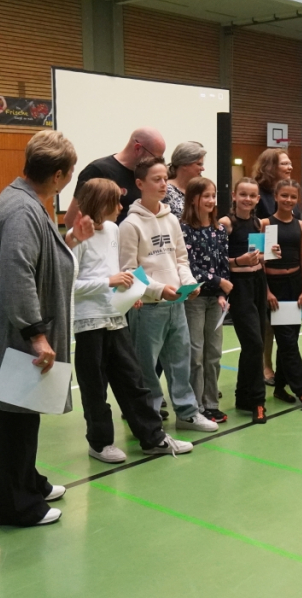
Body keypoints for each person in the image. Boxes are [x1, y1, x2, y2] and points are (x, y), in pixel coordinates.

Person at [0, 130, 90, 527]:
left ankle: (28, 482)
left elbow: (38, 255)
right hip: (15, 329)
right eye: (70, 172)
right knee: (17, 414)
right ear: (58, 175)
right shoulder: (22, 209)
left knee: (25, 410)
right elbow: (17, 272)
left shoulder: (27, 200)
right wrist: (36, 334)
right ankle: (15, 506)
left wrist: (69, 240)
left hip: (15, 324)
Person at [72, 178, 193, 463]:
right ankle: (100, 443)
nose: (120, 206)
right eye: (114, 201)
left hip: (116, 318)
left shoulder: (113, 229)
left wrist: (130, 291)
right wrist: (109, 282)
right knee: (95, 387)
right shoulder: (77, 238)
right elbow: (69, 284)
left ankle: (153, 437)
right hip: (89, 323)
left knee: (133, 381)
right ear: (100, 203)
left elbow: (118, 271)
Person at [119, 157, 218, 433]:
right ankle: (149, 417)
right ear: (140, 184)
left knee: (180, 362)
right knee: (146, 366)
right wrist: (159, 289)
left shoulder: (171, 218)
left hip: (177, 304)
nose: (164, 184)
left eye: (165, 178)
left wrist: (189, 282)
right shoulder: (130, 225)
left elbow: (180, 259)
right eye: (156, 179)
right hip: (148, 308)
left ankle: (187, 414)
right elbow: (129, 270)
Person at [180, 177, 231, 423]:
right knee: (196, 353)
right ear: (193, 199)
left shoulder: (219, 230)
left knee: (214, 353)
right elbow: (189, 266)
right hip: (195, 298)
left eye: (213, 195)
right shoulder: (184, 230)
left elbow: (223, 263)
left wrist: (222, 293)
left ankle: (211, 403)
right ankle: (196, 405)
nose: (211, 200)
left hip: (215, 300)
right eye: (206, 196)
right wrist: (218, 282)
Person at [261, 180, 302, 410]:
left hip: (295, 286)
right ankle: (301, 389)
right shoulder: (265, 224)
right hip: (275, 287)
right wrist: (267, 291)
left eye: (293, 196)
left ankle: (280, 387)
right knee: (287, 340)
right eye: (284, 195)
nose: (288, 200)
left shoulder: (300, 226)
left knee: (289, 338)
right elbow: (260, 262)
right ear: (276, 196)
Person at [219, 178, 268, 424]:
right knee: (255, 343)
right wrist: (239, 261)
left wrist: (267, 255)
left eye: (252, 195)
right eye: (243, 194)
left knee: (253, 345)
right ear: (234, 196)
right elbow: (217, 261)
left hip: (258, 283)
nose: (247, 199)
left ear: (257, 199)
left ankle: (242, 396)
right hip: (239, 287)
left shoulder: (258, 223)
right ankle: (258, 401)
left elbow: (259, 257)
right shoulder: (226, 224)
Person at [251, 148, 297, 386]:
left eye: (290, 163)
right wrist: (265, 254)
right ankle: (265, 365)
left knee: (286, 320)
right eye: (284, 164)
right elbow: (256, 232)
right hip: (266, 267)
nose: (290, 167)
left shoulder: (287, 194)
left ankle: (284, 368)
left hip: (289, 268)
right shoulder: (260, 195)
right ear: (271, 166)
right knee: (267, 321)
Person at [65, 127, 166, 227]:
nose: (156, 163)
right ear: (138, 148)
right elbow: (72, 219)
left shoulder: (146, 175)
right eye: (155, 157)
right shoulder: (98, 171)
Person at [164, 141, 207, 216]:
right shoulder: (165, 190)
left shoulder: (197, 190)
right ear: (184, 164)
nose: (203, 169)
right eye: (199, 164)